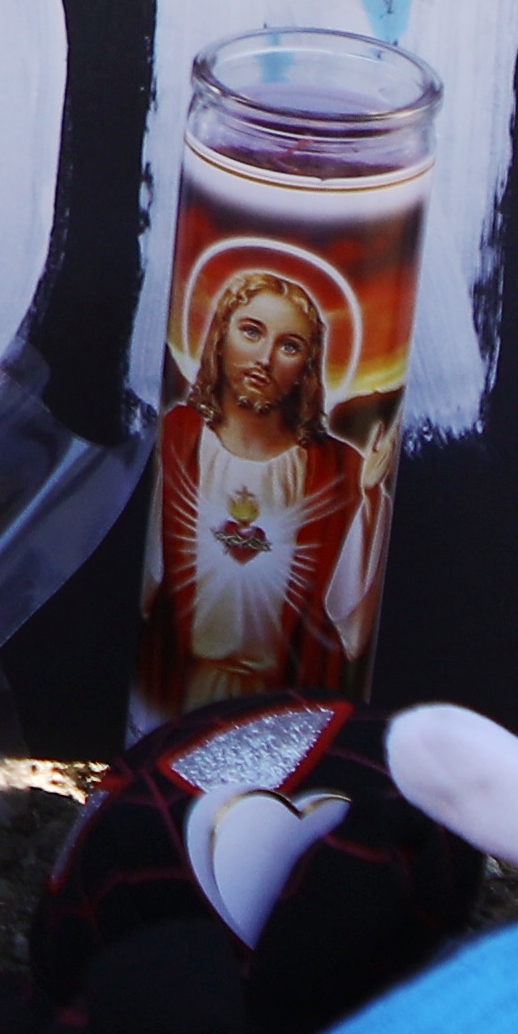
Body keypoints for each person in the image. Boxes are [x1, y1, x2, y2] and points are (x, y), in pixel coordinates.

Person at [155, 255, 373, 715]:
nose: (265, 358)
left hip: (275, 709)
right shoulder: (176, 440)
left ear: (307, 368)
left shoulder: (339, 472)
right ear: (219, 337)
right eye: (251, 332)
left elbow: (353, 631)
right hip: (177, 698)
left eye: (289, 346)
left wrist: (375, 501)